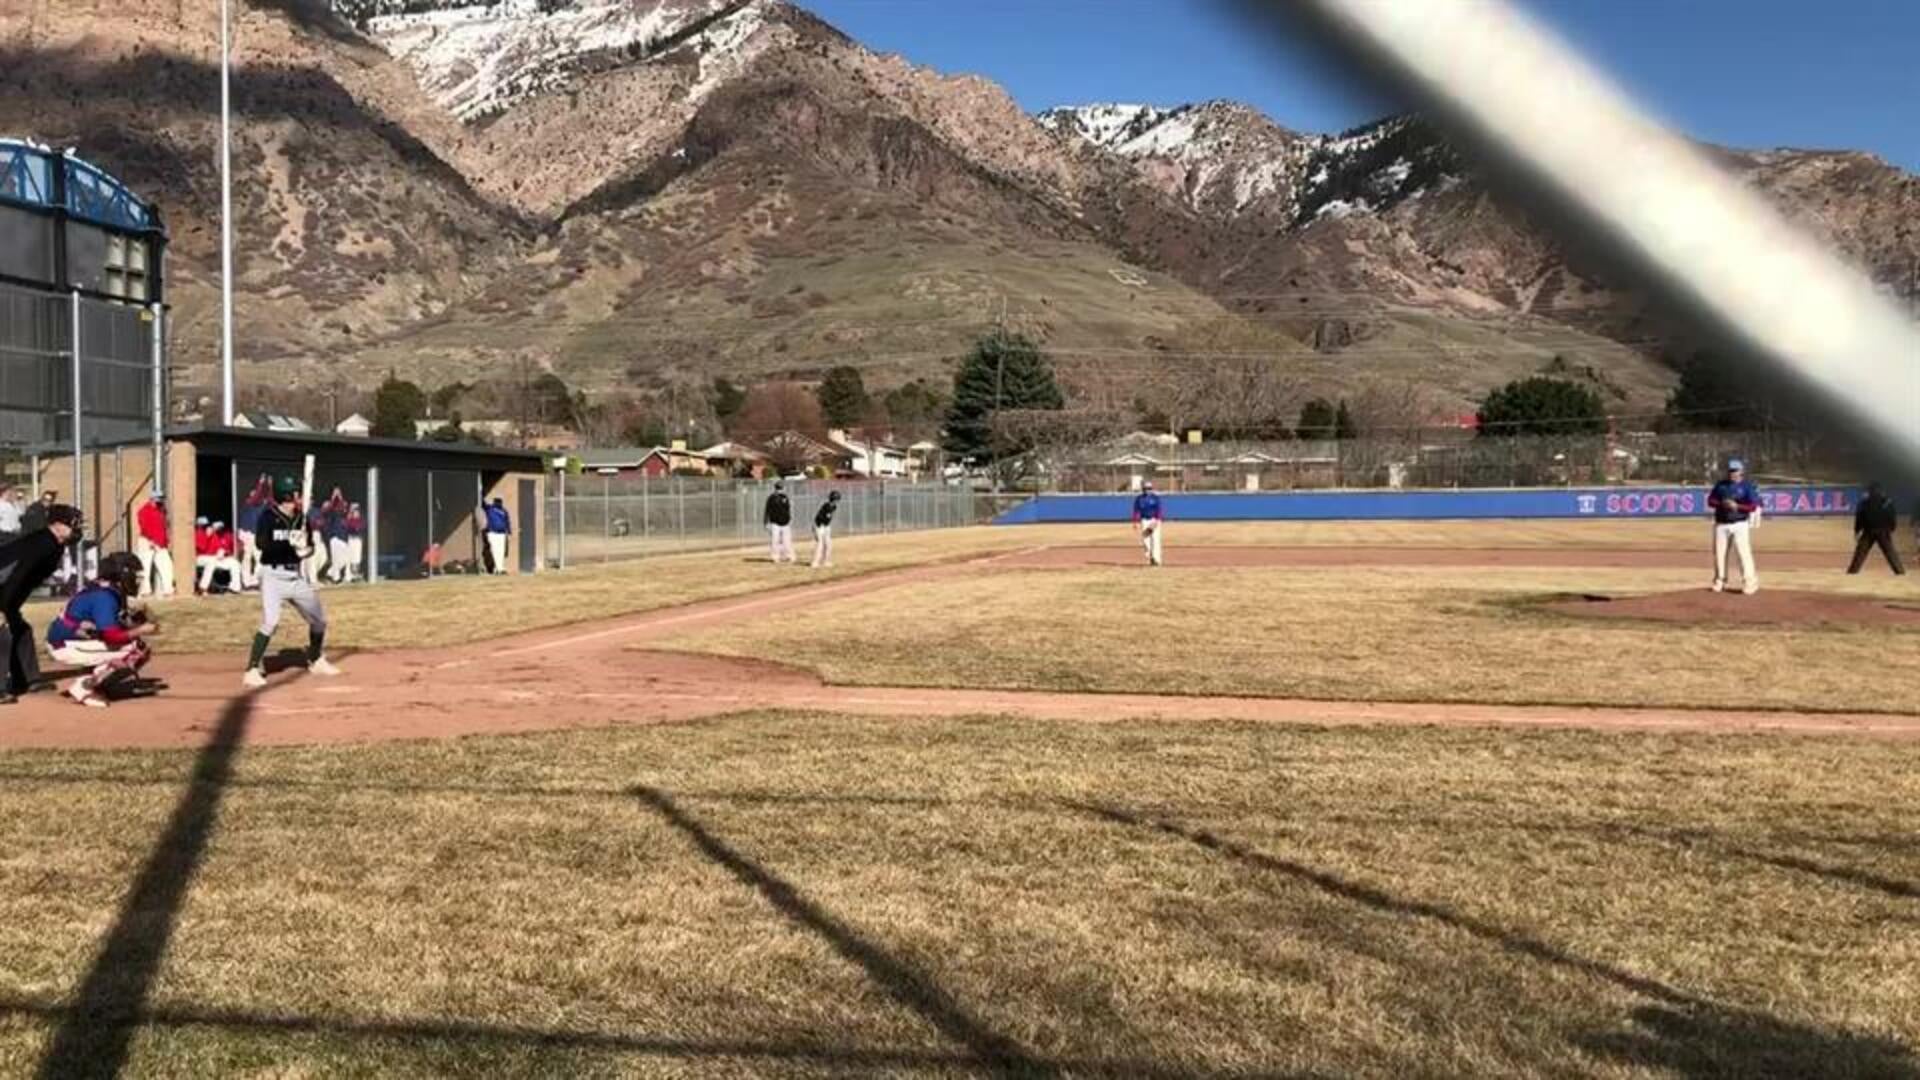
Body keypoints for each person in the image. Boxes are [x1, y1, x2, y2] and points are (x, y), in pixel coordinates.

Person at [242, 475, 341, 689]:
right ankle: (251, 669)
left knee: (319, 620)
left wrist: (305, 549)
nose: (299, 496)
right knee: (271, 622)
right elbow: (261, 544)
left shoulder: (301, 518)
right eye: (295, 492)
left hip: (295, 578)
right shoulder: (268, 516)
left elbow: (310, 546)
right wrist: (289, 544)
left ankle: (315, 659)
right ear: (286, 495)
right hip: (272, 576)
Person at [46, 551, 159, 708]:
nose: (137, 579)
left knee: (136, 647)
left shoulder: (107, 590)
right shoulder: (104, 596)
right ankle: (85, 687)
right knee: (135, 650)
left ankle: (100, 683)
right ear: (121, 575)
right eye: (134, 574)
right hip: (64, 644)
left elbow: (108, 626)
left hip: (73, 639)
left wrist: (134, 621)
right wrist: (142, 630)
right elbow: (111, 636)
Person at [0, 504, 82, 703]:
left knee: (20, 630)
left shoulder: (54, 545)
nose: (77, 529)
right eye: (73, 524)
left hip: (7, 593)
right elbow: (15, 576)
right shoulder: (42, 544)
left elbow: (23, 582)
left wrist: (10, 609)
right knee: (3, 635)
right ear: (57, 525)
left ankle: (27, 680)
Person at [1708, 459, 1761, 594]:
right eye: (1731, 471)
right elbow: (1710, 500)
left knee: (1743, 554)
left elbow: (1753, 506)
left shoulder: (1747, 487)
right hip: (1721, 523)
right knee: (1720, 554)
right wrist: (1722, 503)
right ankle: (1720, 581)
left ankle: (1750, 582)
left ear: (1741, 471)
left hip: (1740, 523)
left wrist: (1737, 506)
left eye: (1735, 470)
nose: (1733, 473)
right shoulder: (1721, 485)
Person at [1848, 482, 1906, 576]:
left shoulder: (1864, 503)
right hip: (1883, 531)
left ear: (1870, 491)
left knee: (1860, 553)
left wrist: (1857, 530)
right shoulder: (1887, 502)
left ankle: (1852, 571)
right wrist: (1891, 528)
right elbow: (1892, 516)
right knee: (1890, 552)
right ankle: (1899, 571)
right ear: (1880, 491)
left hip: (1868, 531)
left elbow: (1859, 518)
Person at [134, 493, 177, 598]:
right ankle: (145, 591)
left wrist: (165, 542)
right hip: (147, 541)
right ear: (152, 499)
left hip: (160, 543)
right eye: (159, 498)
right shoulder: (144, 510)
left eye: (162, 498)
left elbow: (162, 528)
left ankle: (168, 589)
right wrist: (151, 541)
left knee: (167, 565)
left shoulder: (161, 510)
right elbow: (144, 527)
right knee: (145, 567)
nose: (161, 500)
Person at [238, 473, 272, 590]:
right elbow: (256, 496)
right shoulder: (248, 503)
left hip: (257, 534)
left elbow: (270, 500)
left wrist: (270, 486)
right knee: (247, 557)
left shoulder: (261, 505)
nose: (256, 495)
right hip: (246, 533)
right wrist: (261, 483)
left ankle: (255, 580)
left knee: (260, 558)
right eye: (253, 493)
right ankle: (246, 582)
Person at [197, 521, 243, 594]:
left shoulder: (216, 535)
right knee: (211, 562)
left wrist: (222, 552)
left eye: (209, 526)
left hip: (215, 558)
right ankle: (203, 588)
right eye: (206, 527)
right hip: (201, 557)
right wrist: (207, 537)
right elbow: (201, 548)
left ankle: (235, 588)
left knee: (234, 563)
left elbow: (219, 547)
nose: (209, 529)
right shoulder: (199, 533)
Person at [1132, 480, 1166, 567]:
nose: (1148, 490)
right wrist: (1135, 522)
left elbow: (1159, 509)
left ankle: (1157, 559)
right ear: (1143, 489)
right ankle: (1150, 556)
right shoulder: (1139, 499)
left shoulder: (1155, 498)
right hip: (1144, 520)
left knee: (1155, 540)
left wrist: (1157, 520)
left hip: (1154, 520)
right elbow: (1136, 511)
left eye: (1150, 488)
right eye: (1146, 488)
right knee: (1145, 540)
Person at [324, 492, 354, 584]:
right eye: (342, 505)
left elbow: (346, 512)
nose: (344, 506)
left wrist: (340, 497)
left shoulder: (345, 515)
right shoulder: (333, 513)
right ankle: (335, 578)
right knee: (336, 559)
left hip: (344, 538)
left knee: (346, 559)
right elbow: (333, 507)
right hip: (335, 537)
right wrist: (335, 496)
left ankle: (330, 573)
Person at [763, 481, 795, 564]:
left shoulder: (785, 497)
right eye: (781, 487)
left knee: (786, 541)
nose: (781, 489)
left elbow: (788, 509)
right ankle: (776, 557)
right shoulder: (772, 498)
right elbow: (767, 510)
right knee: (776, 541)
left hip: (785, 522)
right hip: (775, 523)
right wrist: (766, 522)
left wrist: (790, 518)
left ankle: (788, 556)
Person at [810, 490, 841, 569]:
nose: (837, 501)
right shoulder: (826, 506)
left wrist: (826, 527)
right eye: (836, 499)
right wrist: (820, 528)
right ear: (834, 499)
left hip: (826, 526)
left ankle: (826, 561)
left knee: (828, 544)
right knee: (820, 544)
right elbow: (820, 518)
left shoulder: (834, 507)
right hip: (819, 526)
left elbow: (829, 518)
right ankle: (815, 562)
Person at [482, 496, 511, 575]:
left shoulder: (504, 511)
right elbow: (483, 504)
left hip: (501, 533)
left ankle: (500, 568)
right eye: (497, 502)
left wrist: (509, 531)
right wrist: (481, 492)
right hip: (492, 532)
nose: (499, 503)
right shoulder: (490, 509)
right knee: (495, 551)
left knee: (500, 552)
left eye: (499, 502)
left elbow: (507, 521)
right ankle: (498, 568)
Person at [344, 503, 366, 582]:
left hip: (358, 539)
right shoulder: (349, 519)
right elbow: (348, 526)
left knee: (357, 557)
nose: (355, 512)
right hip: (350, 539)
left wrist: (356, 525)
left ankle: (355, 574)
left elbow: (361, 527)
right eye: (354, 510)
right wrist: (350, 518)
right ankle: (349, 575)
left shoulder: (361, 519)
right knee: (349, 557)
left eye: (356, 510)